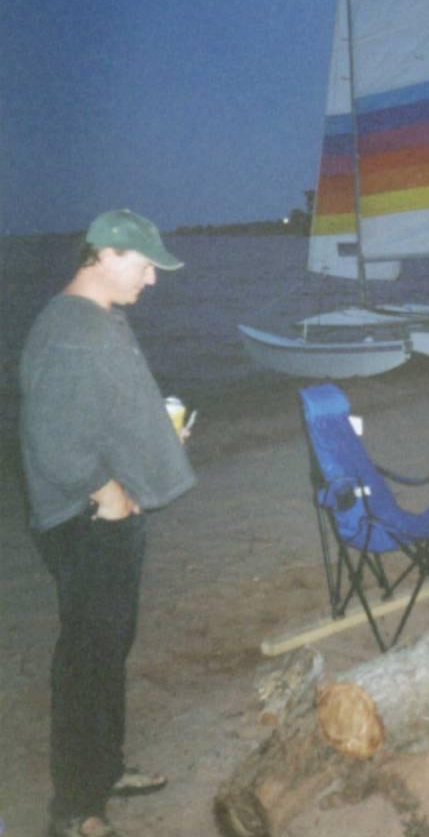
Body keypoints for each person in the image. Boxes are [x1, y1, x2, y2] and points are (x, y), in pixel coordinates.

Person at [19, 209, 197, 837]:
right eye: (146, 265)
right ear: (107, 254)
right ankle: (73, 809)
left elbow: (98, 412)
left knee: (107, 648)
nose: (151, 280)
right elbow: (54, 439)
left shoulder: (88, 318)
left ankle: (105, 770)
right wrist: (112, 493)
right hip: (86, 523)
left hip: (100, 515)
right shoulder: (74, 330)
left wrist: (146, 458)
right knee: (87, 660)